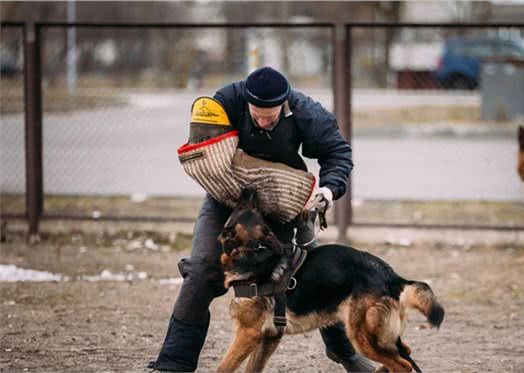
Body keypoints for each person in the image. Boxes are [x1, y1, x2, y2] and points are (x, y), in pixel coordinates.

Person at [148, 66, 374, 372]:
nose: (264, 121)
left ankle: (344, 353)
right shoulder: (227, 100)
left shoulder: (305, 111)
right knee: (202, 268)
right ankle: (173, 363)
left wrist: (328, 191)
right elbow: (202, 146)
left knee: (304, 271)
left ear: (285, 103)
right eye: (257, 114)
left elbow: (337, 152)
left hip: (280, 200)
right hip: (227, 199)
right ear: (246, 101)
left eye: (271, 115)